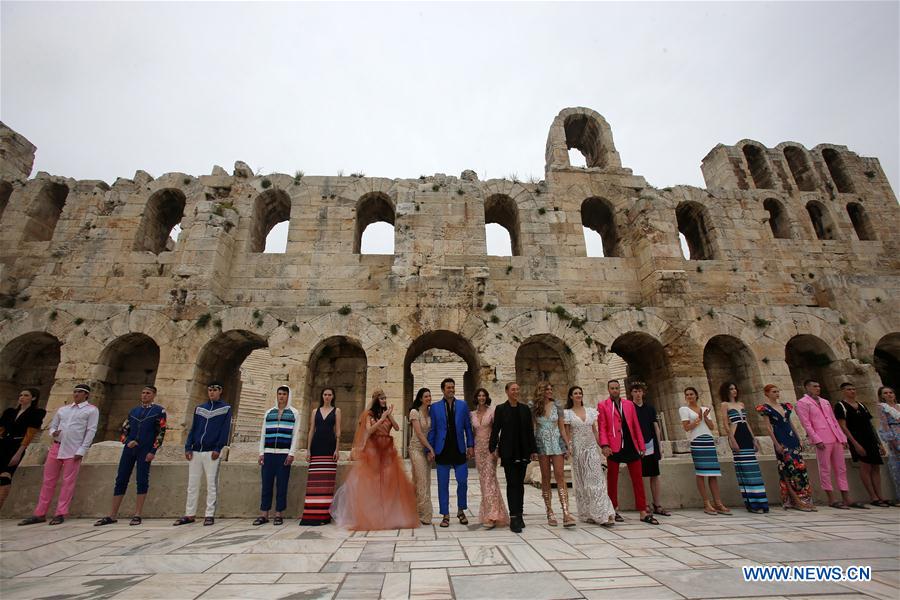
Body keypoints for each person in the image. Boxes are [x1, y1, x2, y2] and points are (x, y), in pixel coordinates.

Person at [330, 389, 418, 530]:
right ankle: (373, 515)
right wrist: (382, 419)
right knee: (374, 483)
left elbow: (396, 427)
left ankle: (389, 515)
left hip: (387, 450)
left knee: (389, 483)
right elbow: (369, 431)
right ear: (376, 400)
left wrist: (389, 416)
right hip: (374, 450)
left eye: (385, 398)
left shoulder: (386, 414)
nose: (384, 400)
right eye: (381, 398)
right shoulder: (369, 414)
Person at [19, 383, 98, 526]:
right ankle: (40, 513)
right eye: (75, 392)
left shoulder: (91, 410)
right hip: (56, 447)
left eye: (80, 392)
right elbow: (53, 425)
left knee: (68, 482)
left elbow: (91, 431)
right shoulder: (63, 409)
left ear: (86, 394)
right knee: (48, 481)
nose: (76, 394)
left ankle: (60, 512)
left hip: (73, 449)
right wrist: (52, 432)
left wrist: (82, 449)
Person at [95, 385, 167, 526]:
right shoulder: (134, 411)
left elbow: (161, 432)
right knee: (121, 478)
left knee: (142, 479)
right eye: (143, 393)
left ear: (154, 395)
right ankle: (112, 514)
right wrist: (127, 441)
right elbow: (124, 430)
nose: (144, 395)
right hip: (129, 449)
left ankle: (137, 514)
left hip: (145, 449)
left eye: (148, 393)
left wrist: (153, 451)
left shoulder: (159, 411)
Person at [173, 381, 232, 526]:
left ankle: (209, 514)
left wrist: (218, 448)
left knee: (212, 483)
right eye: (210, 390)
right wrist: (188, 447)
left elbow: (225, 430)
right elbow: (194, 428)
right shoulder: (199, 408)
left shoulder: (225, 408)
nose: (212, 392)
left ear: (220, 391)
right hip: (196, 450)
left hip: (211, 450)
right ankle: (189, 514)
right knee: (192, 484)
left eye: (215, 390)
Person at [598, 380, 656, 525]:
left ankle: (643, 511)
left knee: (638, 480)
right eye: (612, 388)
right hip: (614, 446)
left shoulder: (629, 405)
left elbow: (635, 425)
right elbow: (602, 427)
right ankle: (614, 509)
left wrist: (641, 445)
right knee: (612, 480)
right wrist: (604, 445)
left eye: (617, 388)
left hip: (631, 445)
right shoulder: (603, 405)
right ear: (608, 390)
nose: (615, 390)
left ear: (620, 389)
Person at [795, 379, 855, 510]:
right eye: (815, 386)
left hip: (835, 437)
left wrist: (842, 437)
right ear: (807, 388)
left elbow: (833, 420)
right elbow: (806, 423)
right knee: (825, 468)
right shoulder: (802, 403)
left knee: (841, 468)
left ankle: (846, 496)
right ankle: (831, 498)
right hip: (822, 438)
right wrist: (816, 439)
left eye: (819, 386)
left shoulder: (825, 402)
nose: (818, 388)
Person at [756, 384, 816, 511]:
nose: (777, 394)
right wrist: (776, 443)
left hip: (791, 438)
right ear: (767, 393)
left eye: (778, 391)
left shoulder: (785, 406)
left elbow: (790, 422)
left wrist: (798, 438)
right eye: (773, 392)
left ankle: (804, 498)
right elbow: (768, 427)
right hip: (780, 438)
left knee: (800, 468)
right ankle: (794, 500)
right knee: (787, 469)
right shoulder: (765, 408)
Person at [563, 385, 615, 526]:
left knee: (596, 481)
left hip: (591, 449)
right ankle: (588, 513)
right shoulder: (567, 413)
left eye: (580, 393)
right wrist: (568, 448)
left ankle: (603, 514)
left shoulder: (591, 411)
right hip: (578, 451)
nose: (579, 395)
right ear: (571, 396)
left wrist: (603, 446)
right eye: (576, 393)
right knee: (583, 483)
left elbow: (595, 432)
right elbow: (567, 433)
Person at [427, 377, 475, 528]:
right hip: (442, 449)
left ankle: (461, 510)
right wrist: (429, 449)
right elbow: (433, 429)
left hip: (459, 448)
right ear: (443, 390)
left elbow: (468, 427)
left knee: (462, 481)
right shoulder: (434, 407)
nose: (451, 390)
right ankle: (445, 514)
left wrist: (470, 445)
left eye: (453, 387)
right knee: (443, 484)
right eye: (448, 387)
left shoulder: (462, 405)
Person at [490, 382, 537, 533]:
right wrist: (493, 448)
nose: (516, 391)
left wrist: (533, 450)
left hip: (523, 450)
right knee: (512, 484)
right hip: (509, 451)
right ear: (507, 391)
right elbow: (496, 429)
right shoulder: (501, 409)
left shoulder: (525, 409)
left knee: (520, 484)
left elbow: (530, 431)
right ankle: (514, 517)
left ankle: (520, 514)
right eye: (513, 389)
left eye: (517, 389)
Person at [835, 382, 889, 507]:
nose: (852, 391)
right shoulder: (841, 406)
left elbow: (870, 425)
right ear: (843, 391)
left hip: (870, 439)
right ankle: (873, 496)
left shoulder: (861, 405)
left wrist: (879, 443)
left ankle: (880, 495)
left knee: (875, 467)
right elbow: (843, 426)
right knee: (865, 467)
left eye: (854, 389)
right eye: (849, 389)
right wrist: (854, 443)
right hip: (857, 439)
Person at [253, 385, 301, 526]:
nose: (281, 396)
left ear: (288, 396)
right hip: (268, 453)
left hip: (283, 454)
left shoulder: (294, 413)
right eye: (279, 394)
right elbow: (263, 433)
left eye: (284, 394)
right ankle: (264, 513)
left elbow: (295, 435)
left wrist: (291, 453)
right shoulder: (269, 413)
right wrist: (261, 452)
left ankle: (279, 513)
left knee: (282, 484)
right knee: (266, 484)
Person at [679, 386, 731, 516]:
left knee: (713, 473)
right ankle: (706, 503)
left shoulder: (704, 409)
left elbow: (712, 426)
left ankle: (718, 502)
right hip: (697, 440)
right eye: (687, 395)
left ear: (696, 395)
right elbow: (686, 428)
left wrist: (706, 417)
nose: (690, 396)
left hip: (708, 439)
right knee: (701, 472)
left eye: (692, 394)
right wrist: (698, 419)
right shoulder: (684, 409)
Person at [720, 382, 769, 513]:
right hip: (736, 434)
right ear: (726, 391)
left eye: (735, 388)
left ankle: (761, 502)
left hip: (746, 434)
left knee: (754, 470)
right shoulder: (725, 405)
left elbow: (746, 422)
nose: (734, 390)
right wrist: (732, 439)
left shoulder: (741, 404)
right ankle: (752, 504)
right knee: (745, 470)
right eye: (731, 389)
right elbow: (725, 423)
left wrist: (754, 439)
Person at [532, 381, 575, 527]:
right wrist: (533, 449)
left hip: (556, 443)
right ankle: (549, 511)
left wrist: (567, 445)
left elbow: (562, 428)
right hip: (541, 444)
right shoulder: (534, 407)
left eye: (551, 389)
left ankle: (566, 512)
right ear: (541, 391)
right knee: (545, 477)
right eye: (547, 389)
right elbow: (533, 429)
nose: (550, 391)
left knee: (560, 476)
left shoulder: (557, 406)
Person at [298, 387, 340, 525]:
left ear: (333, 397)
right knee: (314, 482)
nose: (327, 397)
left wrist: (337, 449)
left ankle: (323, 516)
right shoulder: (315, 411)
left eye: (329, 394)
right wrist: (308, 450)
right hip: (316, 445)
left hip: (330, 446)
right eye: (325, 394)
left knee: (326, 482)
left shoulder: (337, 411)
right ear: (322, 396)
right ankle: (311, 515)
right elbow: (311, 430)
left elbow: (338, 431)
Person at [0, 388, 46, 510]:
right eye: (21, 395)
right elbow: (1, 429)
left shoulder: (37, 413)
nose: (22, 397)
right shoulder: (10, 412)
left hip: (16, 446)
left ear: (33, 398)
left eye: (26, 395)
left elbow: (29, 435)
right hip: (3, 443)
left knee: (5, 476)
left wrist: (18, 453)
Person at [631, 382, 670, 517]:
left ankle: (657, 504)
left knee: (654, 475)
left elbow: (656, 427)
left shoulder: (650, 408)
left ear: (643, 393)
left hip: (651, 444)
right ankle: (644, 504)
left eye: (639, 391)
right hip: (637, 447)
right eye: (635, 391)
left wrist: (659, 445)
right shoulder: (630, 409)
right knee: (640, 476)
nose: (637, 394)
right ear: (631, 393)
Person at [471, 388, 509, 529]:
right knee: (483, 481)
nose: (481, 397)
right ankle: (489, 512)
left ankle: (493, 515)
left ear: (487, 397)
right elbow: (473, 432)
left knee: (490, 480)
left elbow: (496, 430)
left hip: (489, 448)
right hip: (478, 449)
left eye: (483, 395)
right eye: (479, 395)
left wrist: (496, 448)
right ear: (476, 397)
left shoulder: (492, 411)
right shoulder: (472, 414)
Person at [408, 387, 436, 525]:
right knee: (421, 480)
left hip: (426, 450)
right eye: (426, 396)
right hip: (416, 449)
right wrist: (431, 448)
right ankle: (424, 514)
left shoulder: (431, 413)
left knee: (424, 480)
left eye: (430, 396)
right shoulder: (414, 412)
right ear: (420, 398)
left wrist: (430, 449)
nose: (429, 398)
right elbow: (419, 433)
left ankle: (414, 510)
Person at [875, 386, 900, 504]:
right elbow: (884, 425)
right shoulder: (882, 407)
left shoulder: (899, 407)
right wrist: (892, 440)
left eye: (891, 392)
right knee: (897, 467)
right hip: (894, 436)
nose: (889, 395)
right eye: (886, 393)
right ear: (881, 396)